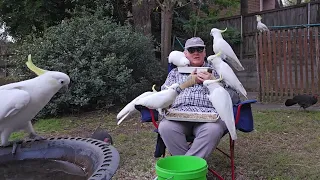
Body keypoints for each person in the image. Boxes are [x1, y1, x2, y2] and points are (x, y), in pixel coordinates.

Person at [158, 37, 240, 159]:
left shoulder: (217, 70)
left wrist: (214, 82)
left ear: (205, 52)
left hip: (209, 118)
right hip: (179, 117)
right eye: (191, 50)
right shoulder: (175, 73)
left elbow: (235, 98)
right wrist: (185, 84)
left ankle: (186, 171)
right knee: (165, 127)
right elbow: (162, 97)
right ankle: (193, 171)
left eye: (200, 49)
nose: (196, 52)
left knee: (213, 130)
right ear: (185, 54)